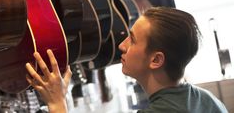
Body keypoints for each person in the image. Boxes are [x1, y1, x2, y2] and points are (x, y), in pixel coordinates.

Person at [25, 7, 228, 113]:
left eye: (132, 39)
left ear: (156, 60)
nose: (122, 45)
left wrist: (57, 103)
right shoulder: (209, 101)